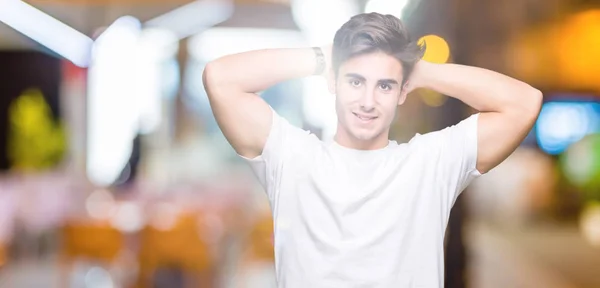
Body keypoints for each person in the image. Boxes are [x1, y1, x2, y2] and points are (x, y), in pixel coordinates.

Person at [202, 12, 542, 288]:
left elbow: (525, 103)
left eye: (384, 85)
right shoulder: (291, 156)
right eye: (355, 81)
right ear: (334, 81)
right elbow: (220, 78)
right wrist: (324, 58)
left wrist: (417, 69)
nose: (368, 101)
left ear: (402, 91)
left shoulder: (430, 162)